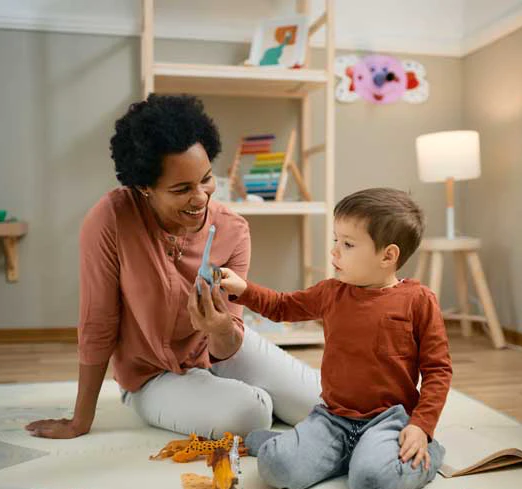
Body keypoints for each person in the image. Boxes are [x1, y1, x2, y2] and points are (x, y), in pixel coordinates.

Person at [25, 95, 320, 440]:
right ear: (144, 187)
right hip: (151, 375)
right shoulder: (111, 220)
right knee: (251, 414)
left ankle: (231, 390)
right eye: (182, 189)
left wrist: (221, 328)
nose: (201, 197)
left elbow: (227, 345)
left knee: (325, 403)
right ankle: (234, 396)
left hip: (219, 349)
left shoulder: (232, 230)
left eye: (206, 179)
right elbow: (98, 323)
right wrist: (81, 419)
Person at [220, 188, 453, 489]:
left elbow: (438, 370)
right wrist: (244, 290)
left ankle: (426, 455)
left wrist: (421, 427)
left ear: (388, 256)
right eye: (335, 241)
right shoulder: (331, 293)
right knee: (275, 467)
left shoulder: (418, 300)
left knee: (371, 485)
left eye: (347, 244)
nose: (334, 252)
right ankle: (336, 452)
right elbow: (283, 306)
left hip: (388, 420)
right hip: (332, 418)